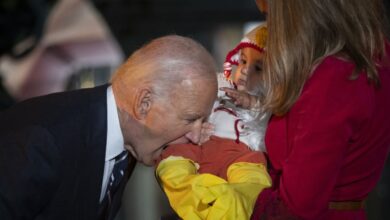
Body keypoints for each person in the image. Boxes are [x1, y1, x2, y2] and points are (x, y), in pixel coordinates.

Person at [0, 35, 218, 220]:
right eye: (191, 119)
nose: (197, 135)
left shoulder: (126, 140)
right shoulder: (40, 140)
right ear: (144, 104)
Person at [222, 0, 390, 219]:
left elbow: (297, 207)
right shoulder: (375, 55)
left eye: (271, 16)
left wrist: (221, 192)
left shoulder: (333, 77)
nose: (270, 29)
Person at [155, 25, 272, 220]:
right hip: (197, 145)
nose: (244, 71)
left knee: (256, 185)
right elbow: (189, 99)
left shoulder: (270, 104)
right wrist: (193, 126)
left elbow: (272, 117)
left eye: (257, 68)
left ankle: (226, 202)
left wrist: (253, 102)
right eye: (242, 61)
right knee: (172, 166)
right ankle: (209, 200)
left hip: (240, 157)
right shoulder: (220, 84)